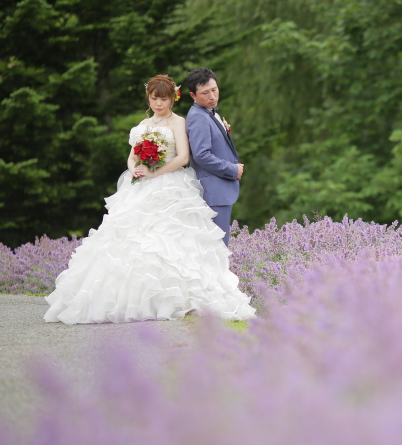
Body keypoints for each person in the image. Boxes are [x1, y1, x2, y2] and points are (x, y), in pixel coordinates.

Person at [44, 75, 256, 324]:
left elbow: (184, 158)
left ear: (173, 99)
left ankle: (179, 298)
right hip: (143, 186)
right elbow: (133, 156)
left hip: (171, 184)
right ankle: (131, 299)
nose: (159, 103)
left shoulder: (179, 122)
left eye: (164, 99)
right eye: (155, 98)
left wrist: (155, 171)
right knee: (134, 239)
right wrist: (135, 168)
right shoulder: (144, 124)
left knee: (173, 241)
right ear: (149, 98)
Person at [184, 68, 244, 246]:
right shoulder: (198, 117)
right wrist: (232, 169)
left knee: (219, 246)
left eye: (214, 89)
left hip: (220, 190)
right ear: (193, 95)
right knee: (217, 248)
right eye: (205, 93)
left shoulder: (210, 113)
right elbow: (201, 155)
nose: (212, 96)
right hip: (213, 192)